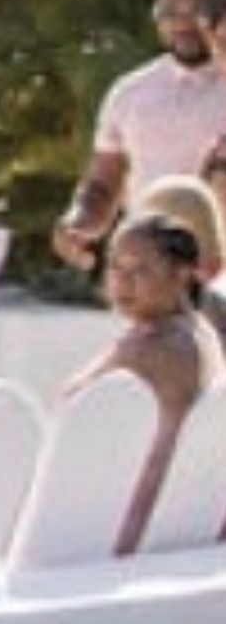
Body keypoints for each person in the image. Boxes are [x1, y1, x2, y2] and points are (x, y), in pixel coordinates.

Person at [54, 0, 226, 270]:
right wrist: (78, 221)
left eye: (196, 9)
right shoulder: (132, 93)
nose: (182, 22)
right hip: (152, 273)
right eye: (169, 10)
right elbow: (103, 184)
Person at [89, 178, 226, 550]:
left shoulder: (154, 349)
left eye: (140, 270)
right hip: (182, 524)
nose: (122, 284)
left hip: (125, 530)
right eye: (115, 268)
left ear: (182, 273)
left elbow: (74, 413)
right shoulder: (200, 332)